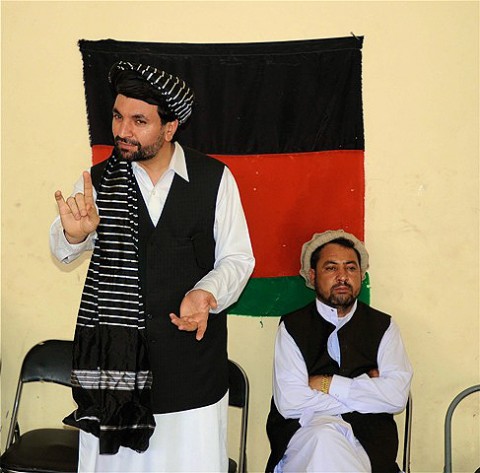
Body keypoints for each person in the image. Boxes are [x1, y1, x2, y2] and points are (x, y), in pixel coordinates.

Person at [50, 61, 254, 472]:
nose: (123, 130)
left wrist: (207, 293)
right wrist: (74, 234)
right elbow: (64, 249)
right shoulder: (97, 182)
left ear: (170, 127)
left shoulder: (215, 178)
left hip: (191, 373)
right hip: (115, 370)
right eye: (117, 116)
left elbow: (237, 258)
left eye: (139, 121)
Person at [265, 229, 412, 473]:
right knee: (325, 439)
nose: (342, 276)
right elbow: (290, 402)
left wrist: (327, 384)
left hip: (367, 445)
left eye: (351, 268)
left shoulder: (384, 327)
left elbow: (396, 397)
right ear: (312, 276)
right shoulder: (292, 327)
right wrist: (367, 389)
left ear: (361, 275)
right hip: (305, 436)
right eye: (331, 268)